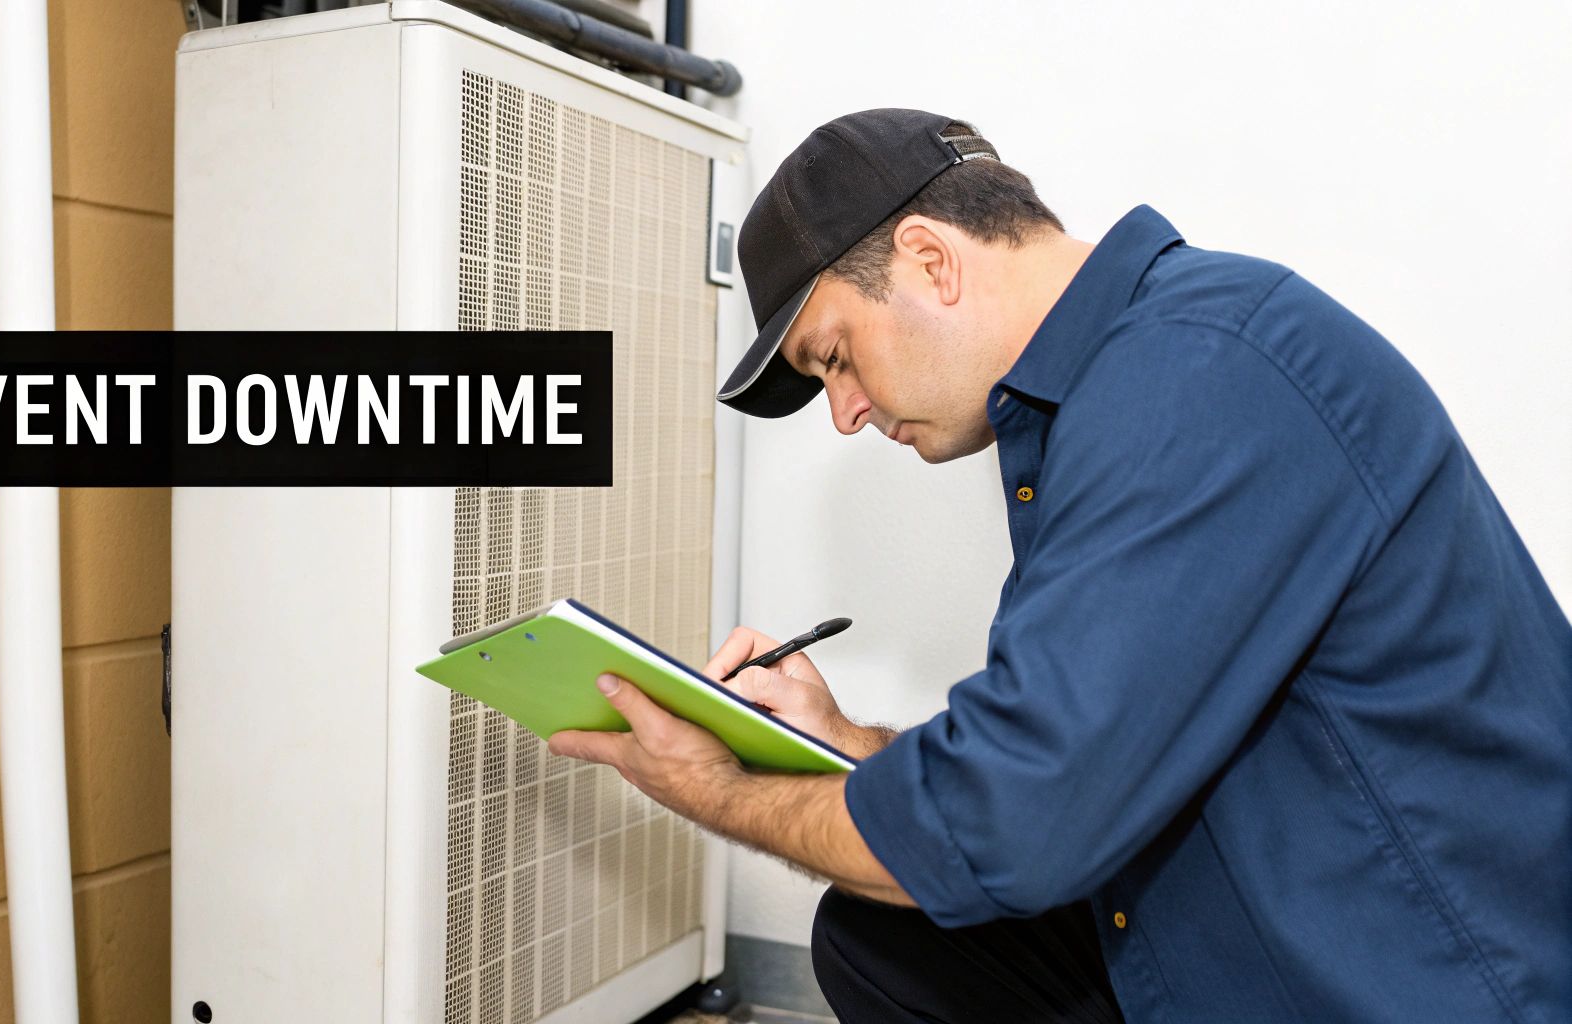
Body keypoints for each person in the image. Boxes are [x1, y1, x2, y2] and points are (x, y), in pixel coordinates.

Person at [547, 108, 1572, 1023]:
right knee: (890, 946)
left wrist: (713, 789)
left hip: (1420, 978)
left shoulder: (1199, 377)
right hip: (1254, 910)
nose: (847, 411)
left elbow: (1014, 820)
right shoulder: (1105, 392)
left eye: (835, 357)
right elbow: (1061, 752)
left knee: (929, 897)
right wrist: (836, 739)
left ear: (928, 260)